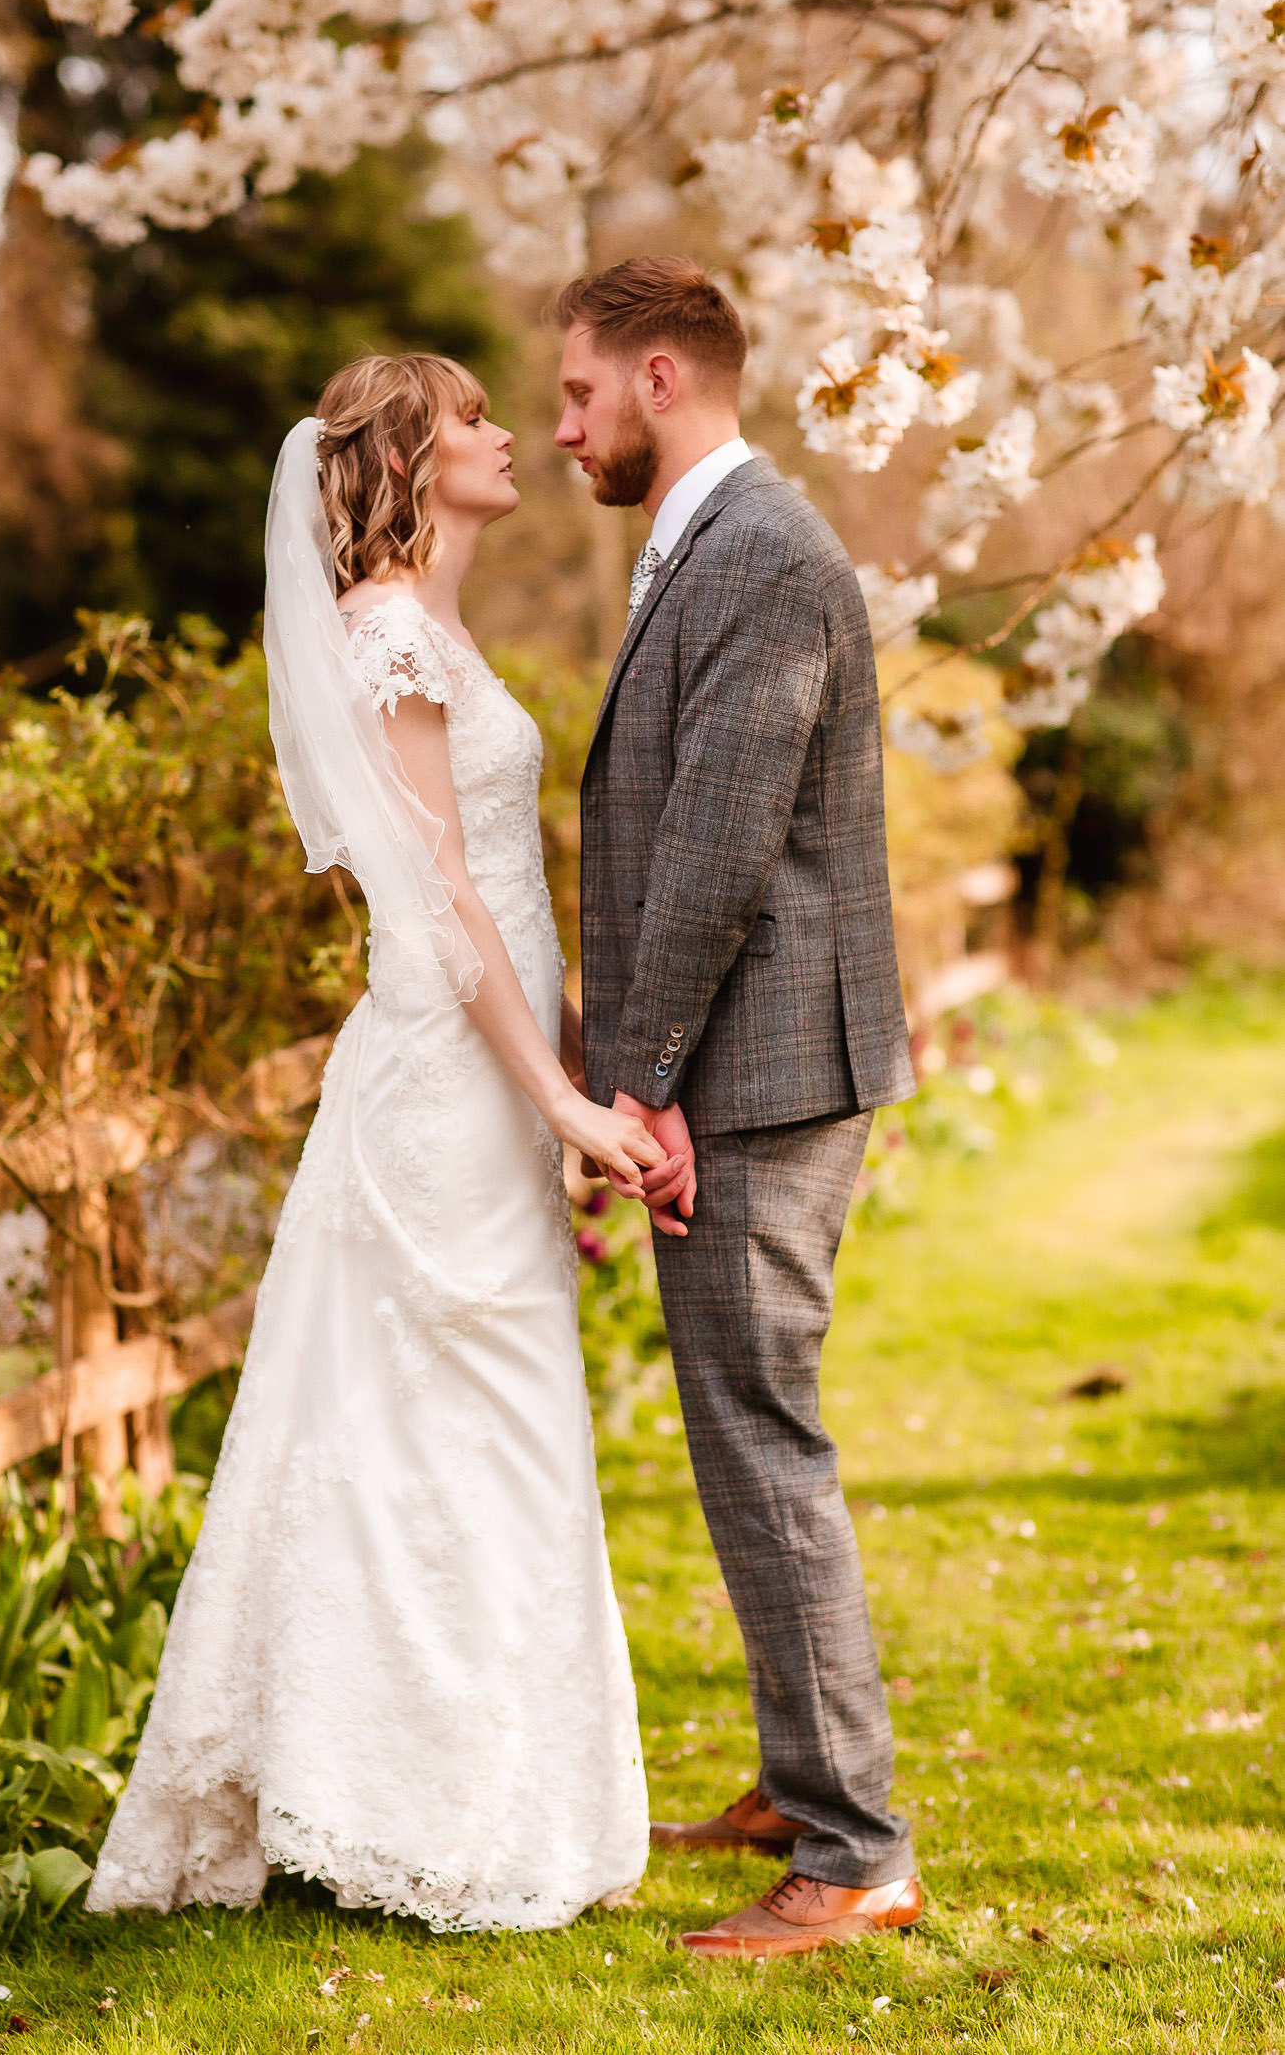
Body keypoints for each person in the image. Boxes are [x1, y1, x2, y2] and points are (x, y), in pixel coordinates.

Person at [88, 353, 663, 1930]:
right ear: (416, 458)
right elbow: (439, 897)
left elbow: (505, 890)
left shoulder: (442, 629)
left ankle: (460, 1781)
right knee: (449, 1411)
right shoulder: (390, 631)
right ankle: (409, 1800)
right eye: (478, 419)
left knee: (477, 1411)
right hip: (441, 1070)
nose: (509, 436)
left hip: (493, 1063)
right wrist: (557, 1101)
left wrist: (563, 1072)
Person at [555, 256, 922, 1959]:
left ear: (657, 379)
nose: (560, 425)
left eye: (573, 392)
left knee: (764, 1435)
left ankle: (853, 1849)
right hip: (737, 1069)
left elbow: (711, 851)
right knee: (737, 1430)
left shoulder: (764, 553)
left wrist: (639, 1089)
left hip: (760, 1082)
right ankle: (802, 1778)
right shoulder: (711, 541)